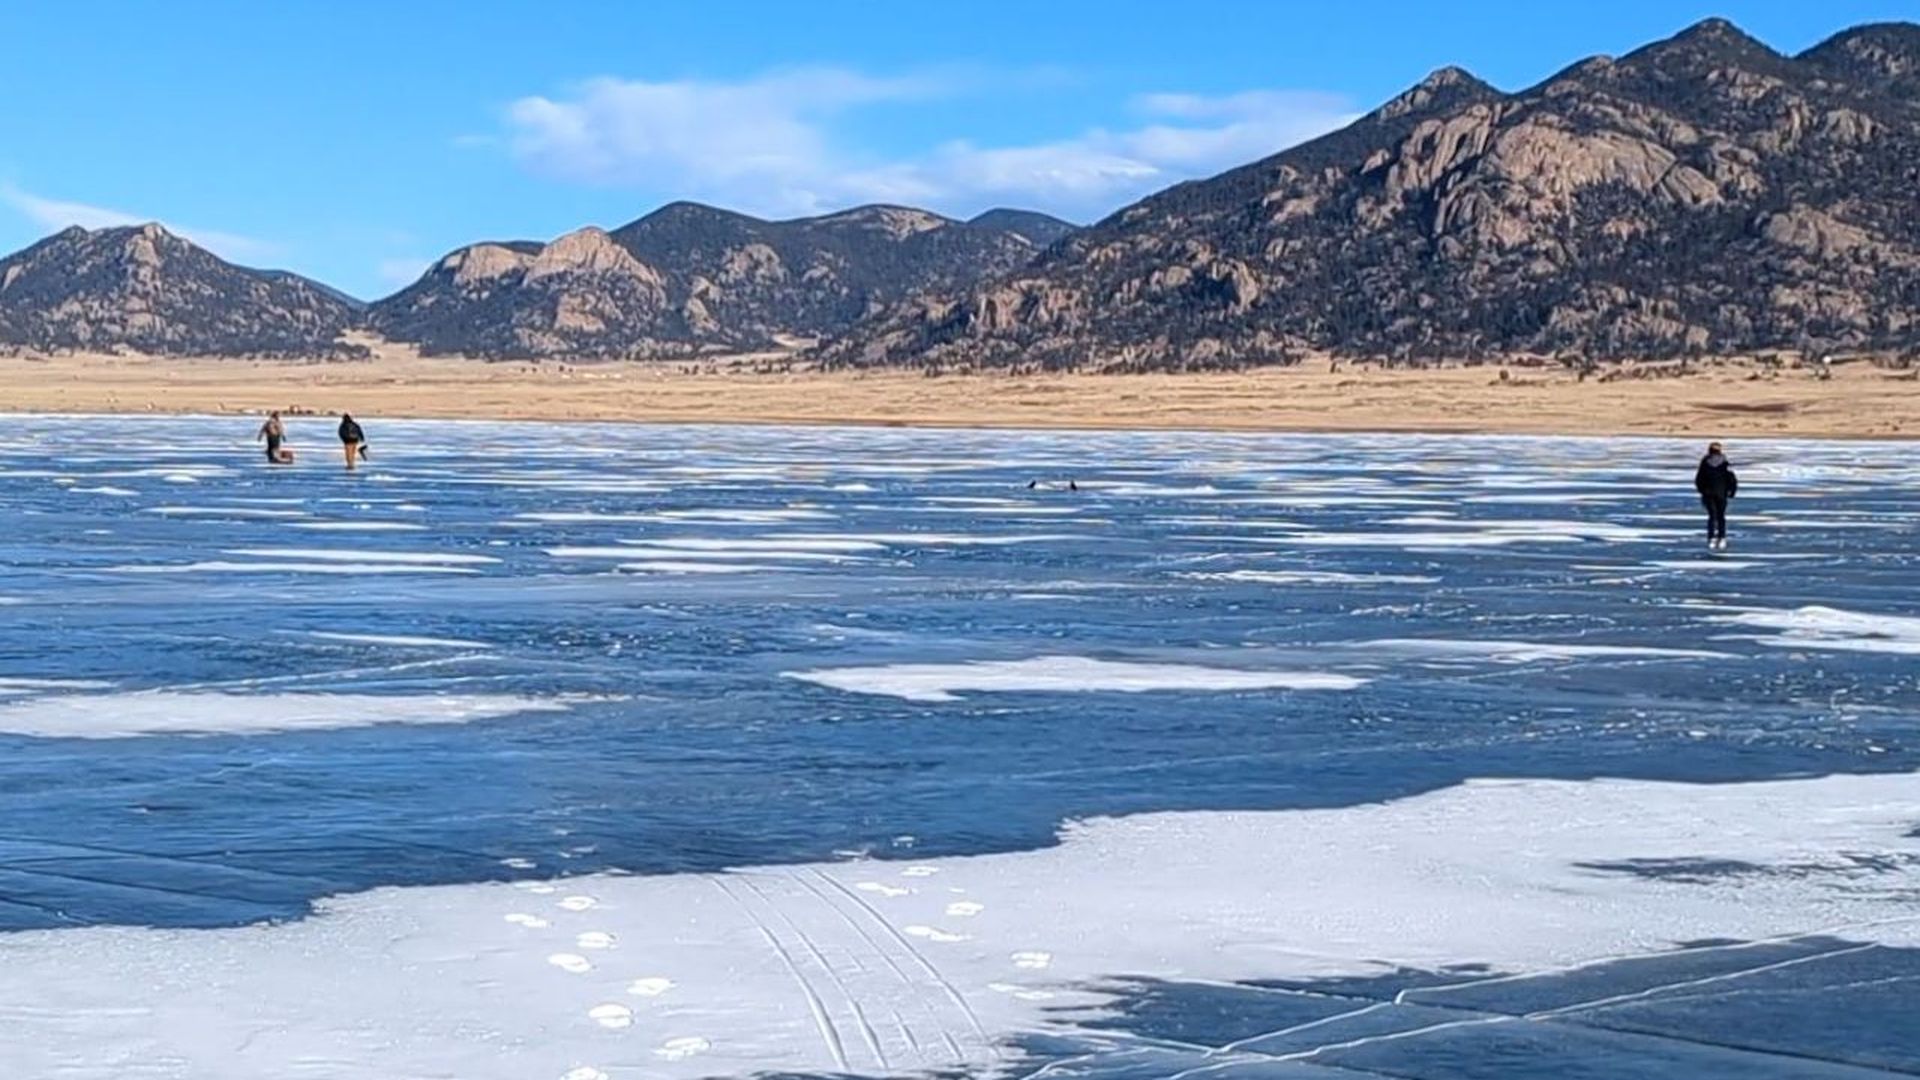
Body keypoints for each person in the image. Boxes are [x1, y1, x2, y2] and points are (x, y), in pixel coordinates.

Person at [1694, 441, 1738, 550]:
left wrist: (1702, 490)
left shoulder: (1705, 462)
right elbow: (1732, 479)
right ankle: (1721, 537)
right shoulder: (1725, 463)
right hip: (1721, 494)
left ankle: (1712, 538)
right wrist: (1732, 491)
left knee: (1712, 517)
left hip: (1709, 494)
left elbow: (1699, 479)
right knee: (1721, 517)